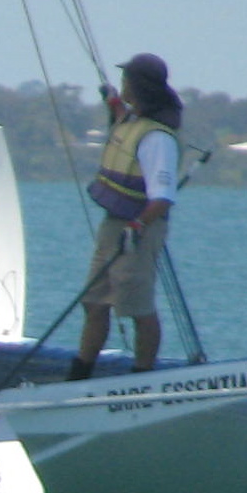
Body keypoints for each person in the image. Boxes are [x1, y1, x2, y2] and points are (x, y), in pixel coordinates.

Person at [70, 52, 183, 379]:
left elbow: (162, 198)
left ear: (142, 87)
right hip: (113, 224)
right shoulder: (129, 121)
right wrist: (111, 102)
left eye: (127, 81)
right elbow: (120, 116)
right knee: (93, 300)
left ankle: (141, 375)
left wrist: (138, 226)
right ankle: (81, 371)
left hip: (140, 228)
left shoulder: (157, 138)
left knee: (136, 306)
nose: (124, 86)